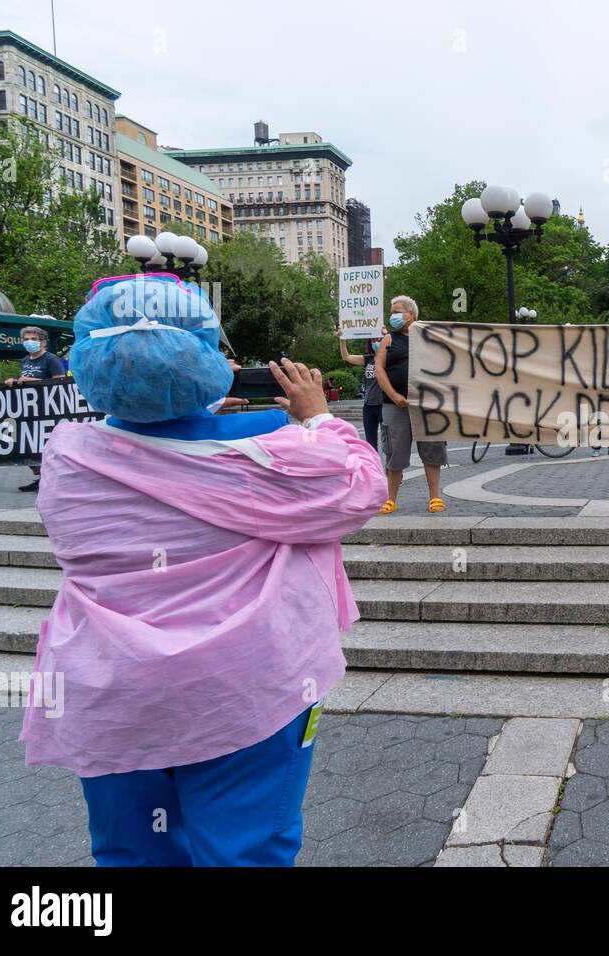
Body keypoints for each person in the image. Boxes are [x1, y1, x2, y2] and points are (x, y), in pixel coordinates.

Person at [22, 271, 386, 866]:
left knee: (133, 854)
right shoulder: (278, 454)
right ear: (204, 361)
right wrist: (319, 417)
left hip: (109, 689)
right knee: (244, 850)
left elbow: (152, 443)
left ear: (92, 364)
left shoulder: (66, 458)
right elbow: (359, 485)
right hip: (246, 689)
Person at [375, 295, 449, 514]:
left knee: (432, 449)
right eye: (391, 312)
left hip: (427, 406)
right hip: (394, 406)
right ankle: (390, 499)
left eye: (397, 311)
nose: (393, 316)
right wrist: (394, 394)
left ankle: (435, 498)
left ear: (411, 314)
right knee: (394, 453)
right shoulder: (389, 340)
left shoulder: (429, 337)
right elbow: (379, 369)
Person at [5, 326, 67, 493]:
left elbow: (60, 383)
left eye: (34, 339)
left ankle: (48, 481)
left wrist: (33, 380)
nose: (29, 342)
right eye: (26, 339)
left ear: (43, 342)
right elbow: (24, 382)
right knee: (25, 445)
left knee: (46, 446)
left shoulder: (51, 359)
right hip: (29, 411)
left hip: (47, 410)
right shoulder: (25, 360)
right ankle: (42, 477)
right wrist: (15, 381)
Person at [337, 329, 382, 451]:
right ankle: (373, 468)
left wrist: (386, 334)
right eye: (373, 340)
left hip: (384, 405)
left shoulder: (389, 358)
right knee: (370, 444)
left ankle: (392, 470)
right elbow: (346, 357)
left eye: (378, 339)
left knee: (389, 441)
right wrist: (342, 339)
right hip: (368, 406)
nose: (376, 342)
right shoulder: (368, 359)